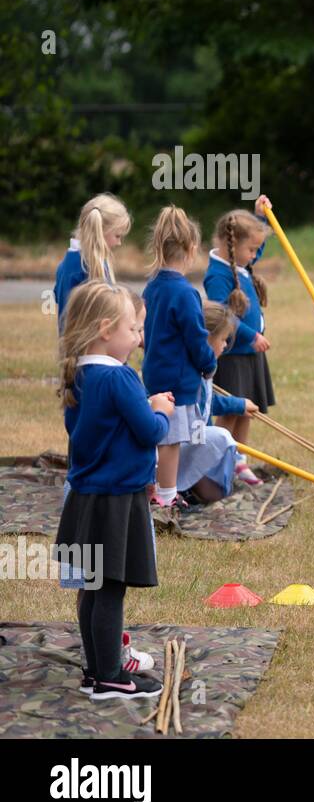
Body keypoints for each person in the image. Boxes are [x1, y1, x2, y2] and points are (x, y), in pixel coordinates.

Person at [55, 281, 172, 700]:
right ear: (106, 330)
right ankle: (109, 680)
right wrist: (159, 410)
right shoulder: (120, 378)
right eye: (133, 329)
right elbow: (148, 433)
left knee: (91, 587)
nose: (139, 338)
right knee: (110, 589)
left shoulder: (79, 374)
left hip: (84, 498)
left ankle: (97, 670)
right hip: (116, 502)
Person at [142, 206, 218, 511]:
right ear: (191, 249)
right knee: (170, 441)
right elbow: (196, 339)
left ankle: (153, 485)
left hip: (154, 373)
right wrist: (209, 364)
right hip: (178, 380)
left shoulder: (152, 287)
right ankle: (166, 495)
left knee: (158, 434)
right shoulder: (185, 294)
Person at [203, 196, 273, 486]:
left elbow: (256, 244)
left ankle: (240, 461)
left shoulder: (241, 263)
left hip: (250, 355)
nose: (255, 255)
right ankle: (224, 461)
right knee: (232, 411)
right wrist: (250, 335)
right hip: (233, 354)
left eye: (257, 249)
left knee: (248, 409)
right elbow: (225, 316)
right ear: (230, 245)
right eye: (251, 249)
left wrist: (262, 219)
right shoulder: (217, 275)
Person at [177, 301, 257, 506]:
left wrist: (238, 405)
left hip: (193, 439)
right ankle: (182, 485)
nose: (224, 345)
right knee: (220, 439)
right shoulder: (187, 372)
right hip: (180, 445)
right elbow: (198, 411)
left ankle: (232, 466)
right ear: (205, 339)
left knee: (219, 491)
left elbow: (207, 402)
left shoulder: (203, 368)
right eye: (222, 340)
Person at [53, 193, 132, 333]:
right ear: (99, 231)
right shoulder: (80, 268)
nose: (119, 243)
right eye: (117, 236)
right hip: (83, 348)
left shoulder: (87, 262)